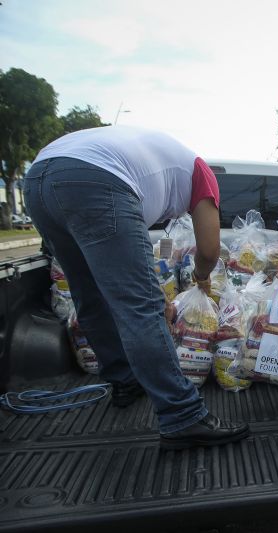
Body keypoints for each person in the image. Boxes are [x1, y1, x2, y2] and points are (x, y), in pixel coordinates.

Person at [23, 125, 249, 449]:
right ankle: (183, 415)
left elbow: (119, 265)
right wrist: (200, 278)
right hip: (94, 179)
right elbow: (210, 250)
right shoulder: (200, 171)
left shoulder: (151, 166)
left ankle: (124, 380)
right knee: (141, 308)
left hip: (39, 178)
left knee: (88, 294)